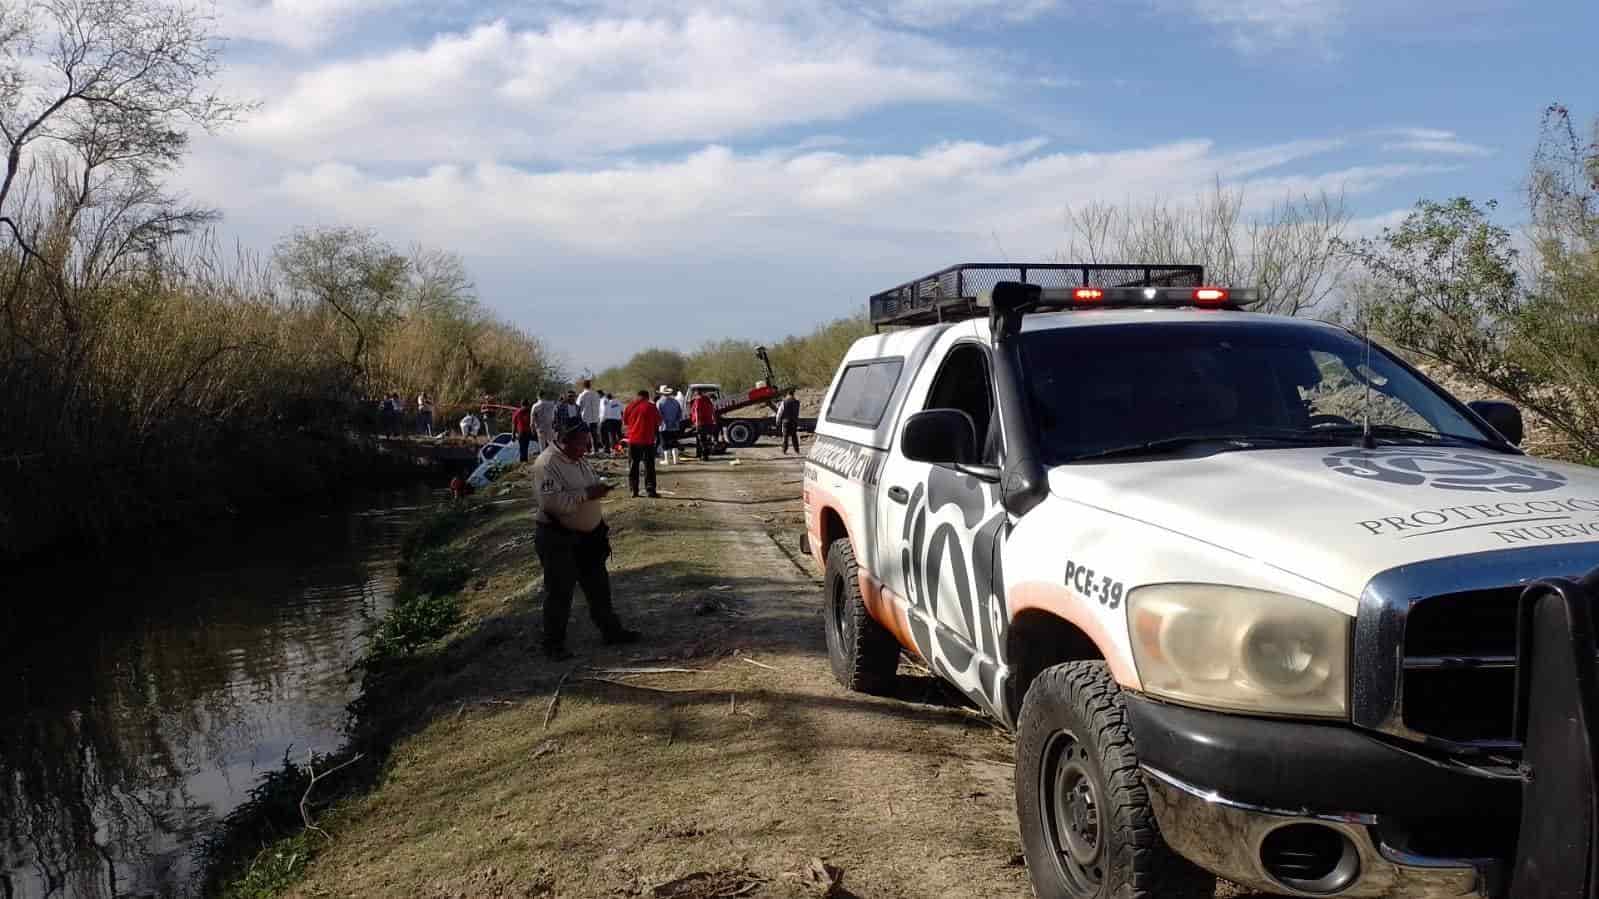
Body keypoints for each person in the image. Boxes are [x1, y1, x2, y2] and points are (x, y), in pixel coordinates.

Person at [533, 420, 641, 659]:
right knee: (560, 592)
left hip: (589, 538)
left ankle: (611, 632)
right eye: (582, 443)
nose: (586, 447)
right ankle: (553, 645)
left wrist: (596, 490)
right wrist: (586, 494)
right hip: (558, 538)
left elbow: (586, 488)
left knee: (599, 588)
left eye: (587, 442)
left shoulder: (578, 458)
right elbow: (552, 504)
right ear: (565, 441)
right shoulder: (547, 463)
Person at [623, 389, 662, 498]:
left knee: (633, 465)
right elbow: (659, 421)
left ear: (638, 396)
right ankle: (650, 490)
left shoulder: (630, 406)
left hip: (633, 439)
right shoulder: (651, 407)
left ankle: (634, 490)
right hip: (648, 440)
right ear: (647, 397)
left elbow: (625, 422)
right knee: (649, 465)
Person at [656, 386, 683, 466]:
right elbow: (679, 414)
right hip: (675, 425)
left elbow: (658, 415)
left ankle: (667, 460)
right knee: (674, 442)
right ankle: (676, 460)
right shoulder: (676, 402)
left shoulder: (659, 402)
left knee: (665, 443)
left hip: (664, 426)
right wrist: (676, 421)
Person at [689, 387, 718, 460]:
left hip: (701, 423)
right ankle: (705, 455)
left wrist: (697, 423)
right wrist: (714, 420)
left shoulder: (698, 400)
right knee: (707, 440)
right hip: (709, 422)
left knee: (702, 440)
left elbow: (697, 411)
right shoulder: (707, 400)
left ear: (697, 393)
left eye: (695, 393)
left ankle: (703, 456)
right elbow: (712, 410)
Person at [576, 380, 603, 451]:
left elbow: (578, 406)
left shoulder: (582, 395)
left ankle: (587, 450)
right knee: (594, 435)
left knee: (585, 435)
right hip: (595, 418)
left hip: (585, 418)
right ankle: (595, 450)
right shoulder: (596, 394)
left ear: (583, 386)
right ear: (590, 385)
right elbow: (599, 405)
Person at [777, 388, 802, 454]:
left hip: (786, 421)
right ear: (793, 394)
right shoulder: (797, 402)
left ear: (788, 394)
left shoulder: (784, 402)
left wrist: (778, 420)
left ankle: (784, 450)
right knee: (794, 436)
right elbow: (797, 412)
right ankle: (797, 450)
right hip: (794, 421)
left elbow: (780, 412)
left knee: (785, 436)